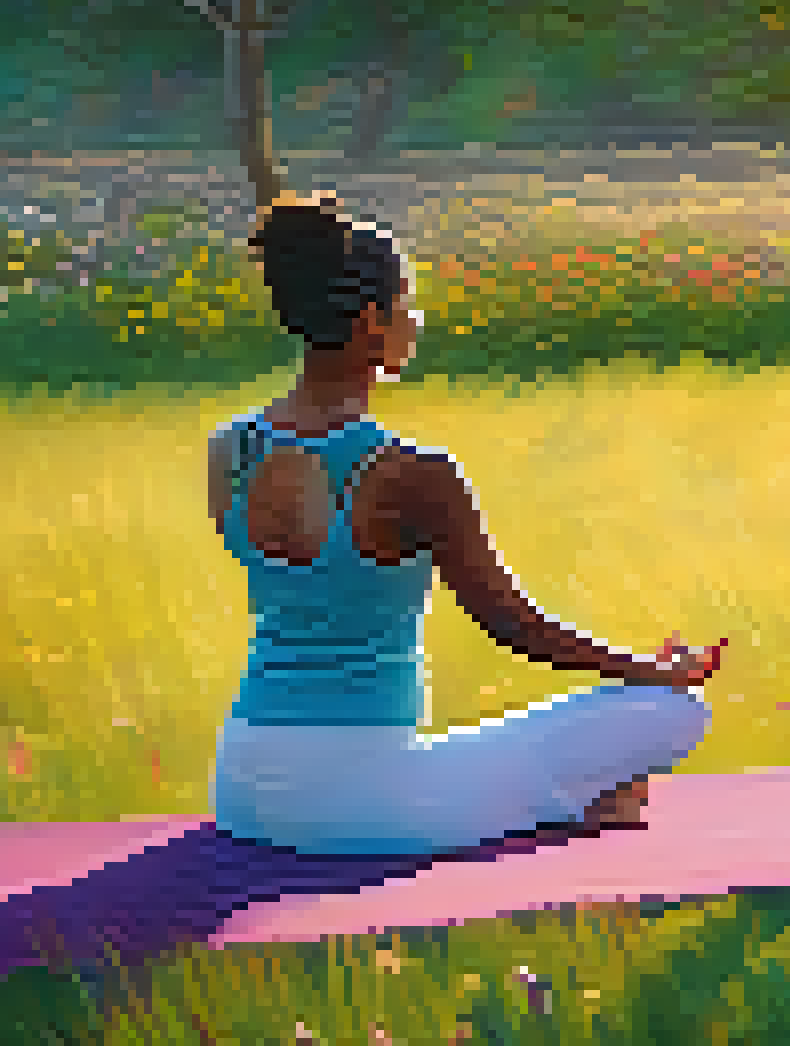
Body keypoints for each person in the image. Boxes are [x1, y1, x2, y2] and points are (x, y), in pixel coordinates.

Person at [206, 193, 722, 857]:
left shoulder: (230, 450)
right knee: (676, 713)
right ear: (372, 322)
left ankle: (588, 796)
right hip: (356, 804)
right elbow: (515, 625)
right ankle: (592, 797)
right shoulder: (411, 474)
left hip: (241, 788)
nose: (416, 322)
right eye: (407, 305)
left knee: (522, 751)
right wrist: (651, 671)